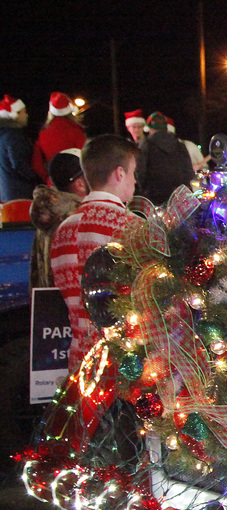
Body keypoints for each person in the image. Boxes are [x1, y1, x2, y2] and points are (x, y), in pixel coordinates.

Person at [51, 135, 139, 371]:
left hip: (80, 363)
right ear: (120, 173)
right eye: (132, 173)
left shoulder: (63, 229)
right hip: (125, 367)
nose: (134, 181)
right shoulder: (131, 227)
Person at [29, 149, 88, 288]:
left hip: (49, 305)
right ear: (80, 184)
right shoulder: (75, 218)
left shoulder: (49, 211)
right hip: (71, 306)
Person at [138, 111, 194, 205]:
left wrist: (143, 190)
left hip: (153, 199)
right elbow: (188, 172)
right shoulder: (179, 145)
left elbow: (140, 172)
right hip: (177, 199)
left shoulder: (146, 145)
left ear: (149, 128)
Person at [32, 92, 87, 183]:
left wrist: (48, 177)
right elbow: (85, 159)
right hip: (75, 184)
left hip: (53, 183)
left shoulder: (43, 133)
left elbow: (37, 165)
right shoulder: (76, 131)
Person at [0, 94, 35, 200]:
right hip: (20, 192)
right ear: (15, 114)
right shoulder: (13, 135)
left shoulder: (3, 134)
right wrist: (35, 178)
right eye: (24, 112)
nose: (27, 115)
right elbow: (18, 163)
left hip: (6, 192)